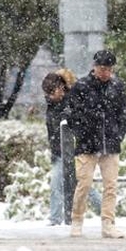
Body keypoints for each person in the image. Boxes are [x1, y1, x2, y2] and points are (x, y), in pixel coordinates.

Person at [65, 49, 126, 239]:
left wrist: (118, 135)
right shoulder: (81, 86)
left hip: (111, 142)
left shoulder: (117, 86)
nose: (105, 72)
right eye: (102, 68)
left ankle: (108, 223)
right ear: (95, 67)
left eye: (109, 69)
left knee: (111, 185)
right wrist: (82, 132)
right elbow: (71, 114)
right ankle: (77, 220)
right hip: (86, 144)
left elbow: (122, 114)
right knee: (83, 183)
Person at [43, 69, 101, 226]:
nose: (50, 96)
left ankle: (55, 219)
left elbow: (77, 123)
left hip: (72, 151)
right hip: (59, 152)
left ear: (61, 88)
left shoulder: (71, 101)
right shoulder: (52, 104)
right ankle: (105, 211)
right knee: (81, 185)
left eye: (53, 92)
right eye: (48, 93)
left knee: (71, 184)